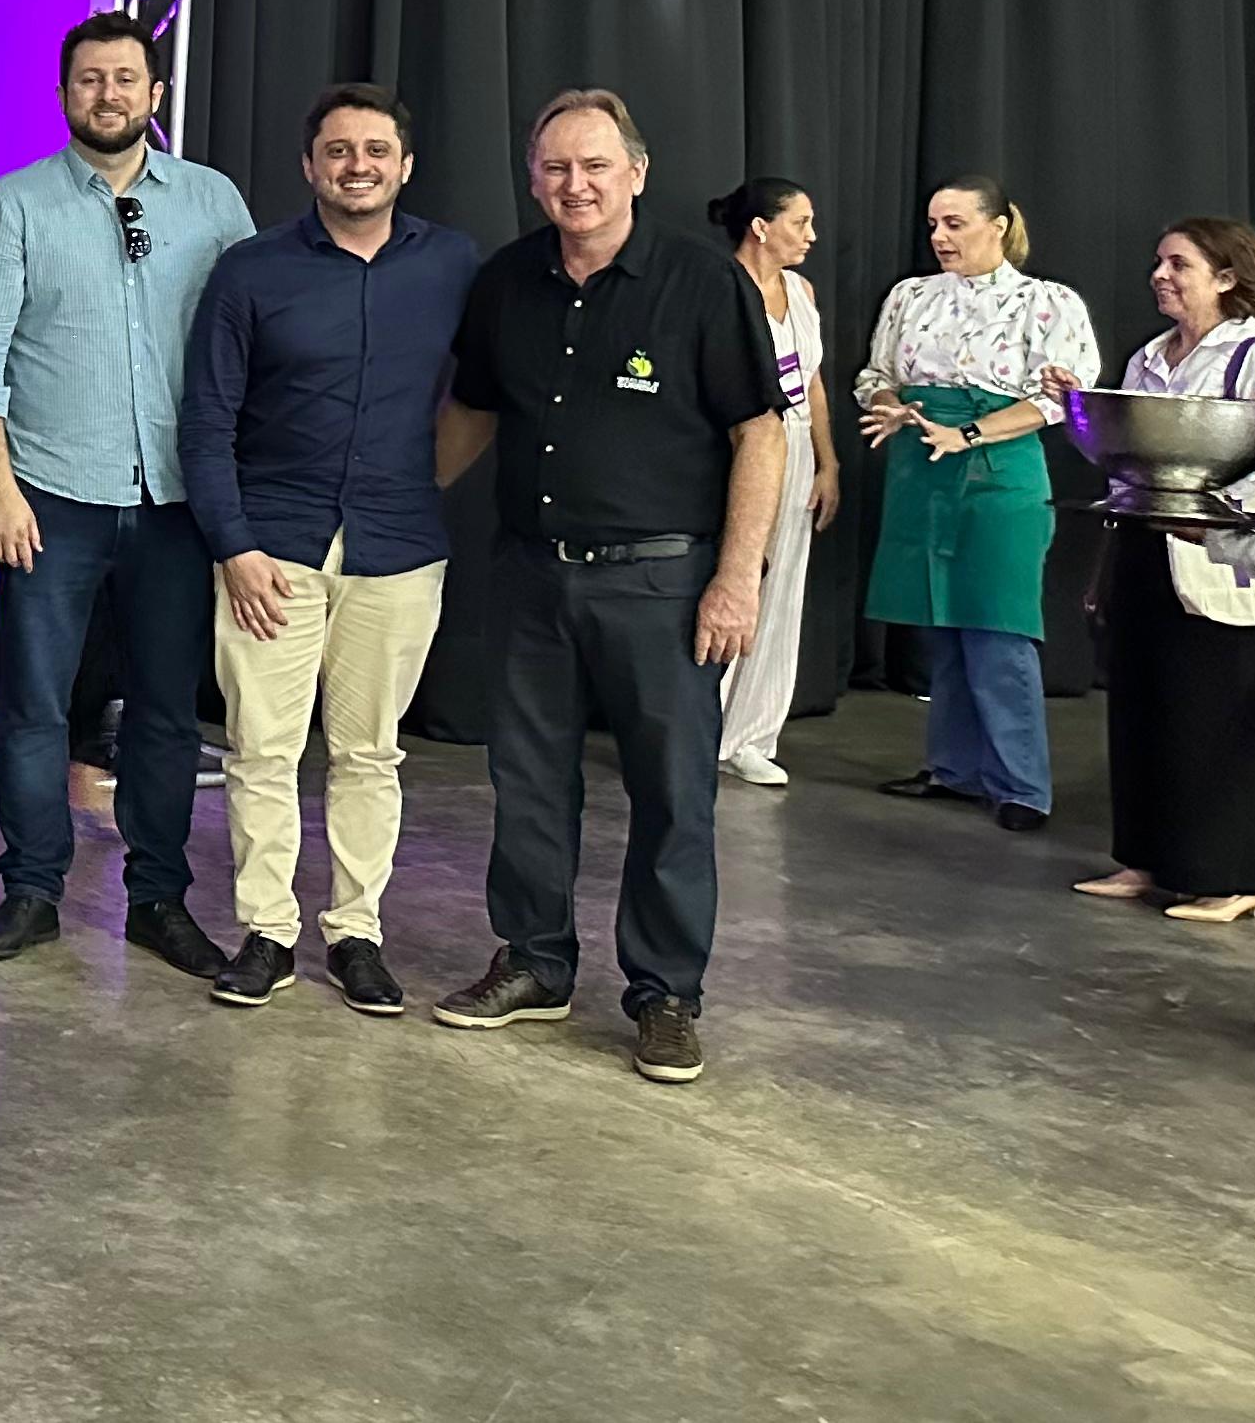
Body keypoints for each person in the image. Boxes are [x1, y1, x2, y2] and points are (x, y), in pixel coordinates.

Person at [430, 88, 783, 1085]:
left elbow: (760, 433)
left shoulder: (704, 283)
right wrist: (401, 506)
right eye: (554, 168)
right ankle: (535, 963)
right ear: (533, 178)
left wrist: (736, 578)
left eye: (594, 166)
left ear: (636, 172)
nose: (574, 185)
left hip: (663, 584)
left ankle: (666, 994)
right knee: (528, 783)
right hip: (532, 577)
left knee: (671, 793)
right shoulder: (507, 281)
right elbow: (473, 411)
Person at [0, 10, 253, 974]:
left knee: (165, 711)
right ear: (63, 95)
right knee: (34, 705)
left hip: (175, 503)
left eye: (125, 79)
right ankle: (33, 890)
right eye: (89, 79)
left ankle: (157, 900)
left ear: (154, 93)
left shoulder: (212, 203)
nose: (107, 95)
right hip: (49, 497)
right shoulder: (14, 206)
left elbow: (249, 346)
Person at [177, 84, 476, 1014]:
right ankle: (267, 932)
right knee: (262, 752)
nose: (358, 166)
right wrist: (234, 546)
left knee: (369, 755)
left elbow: (484, 395)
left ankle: (356, 935)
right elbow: (206, 421)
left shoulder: (452, 264)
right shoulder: (251, 271)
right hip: (272, 553)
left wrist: (422, 485)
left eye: (376, 151)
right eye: (339, 151)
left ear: (405, 166)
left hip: (398, 548)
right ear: (309, 166)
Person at [862, 174, 1100, 832]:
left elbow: (1059, 400)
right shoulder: (911, 296)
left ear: (997, 226)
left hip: (999, 470)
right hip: (923, 463)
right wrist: (891, 405)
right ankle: (955, 768)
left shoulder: (1045, 302)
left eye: (955, 224)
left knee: (998, 625)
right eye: (933, 225)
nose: (939, 237)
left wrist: (967, 433)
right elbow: (877, 375)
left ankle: (1021, 784)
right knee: (941, 621)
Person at [1085, 219, 1255, 921]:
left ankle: (1233, 878)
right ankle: (1147, 857)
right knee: (1145, 705)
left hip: (1220, 554)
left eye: (1179, 264)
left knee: (1214, 717)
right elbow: (1126, 457)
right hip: (1148, 546)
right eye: (1158, 262)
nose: (1160, 275)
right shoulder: (1149, 357)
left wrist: (1215, 515)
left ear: (1226, 278)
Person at [710, 179, 843, 786]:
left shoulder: (801, 291)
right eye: (800, 222)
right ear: (760, 227)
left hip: (795, 446)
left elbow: (811, 380)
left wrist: (827, 462)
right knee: (732, 578)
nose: (811, 235)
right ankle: (698, 727)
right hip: (739, 447)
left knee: (783, 587)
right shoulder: (719, 287)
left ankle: (752, 734)